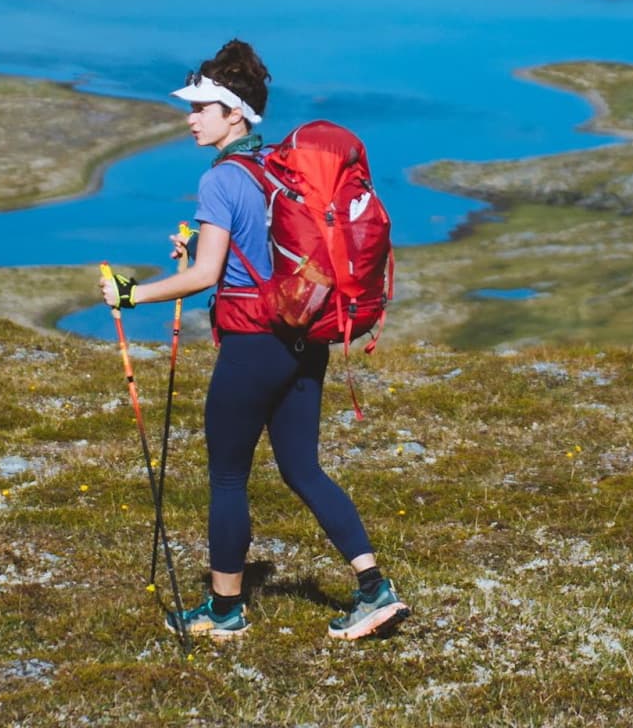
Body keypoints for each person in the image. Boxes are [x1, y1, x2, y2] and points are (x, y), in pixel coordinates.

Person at [99, 39, 408, 642]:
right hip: (303, 339)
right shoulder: (277, 169)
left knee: (228, 479)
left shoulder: (221, 179)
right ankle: (375, 588)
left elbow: (207, 277)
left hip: (253, 343)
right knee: (302, 469)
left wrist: (131, 294)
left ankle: (225, 612)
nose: (190, 119)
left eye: (200, 109)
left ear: (233, 113)